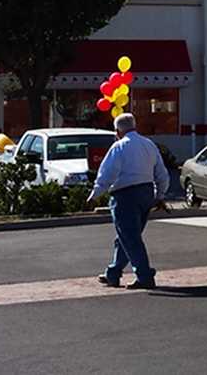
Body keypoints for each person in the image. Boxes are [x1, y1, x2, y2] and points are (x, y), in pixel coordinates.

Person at [89, 113, 171, 290]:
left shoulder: (119, 147)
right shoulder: (149, 144)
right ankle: (113, 272)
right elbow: (162, 173)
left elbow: (107, 173)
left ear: (117, 130)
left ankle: (144, 275)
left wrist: (95, 195)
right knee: (126, 237)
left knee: (130, 237)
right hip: (146, 193)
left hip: (124, 195)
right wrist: (160, 195)